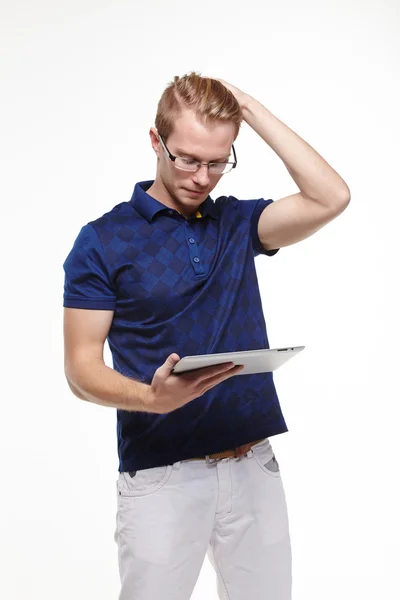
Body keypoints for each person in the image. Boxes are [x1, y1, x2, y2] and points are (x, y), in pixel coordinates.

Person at [63, 72, 350, 600]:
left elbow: (331, 196)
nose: (202, 177)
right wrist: (151, 397)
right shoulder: (103, 241)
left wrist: (248, 106)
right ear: (156, 141)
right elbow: (81, 370)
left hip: (253, 465)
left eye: (219, 162)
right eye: (188, 159)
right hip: (162, 476)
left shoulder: (238, 224)